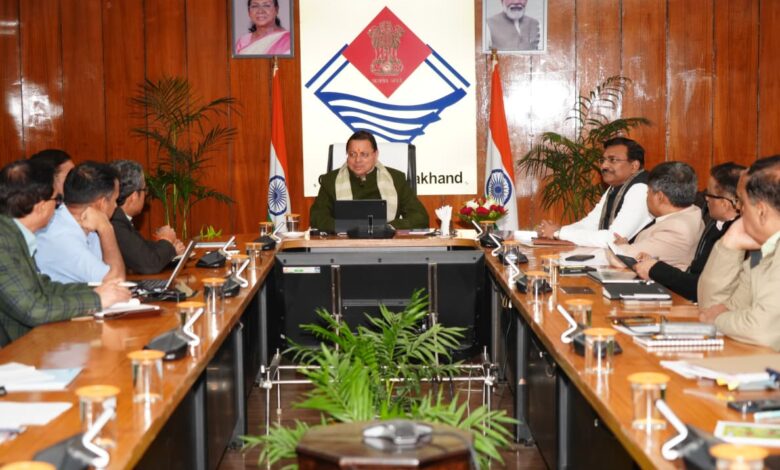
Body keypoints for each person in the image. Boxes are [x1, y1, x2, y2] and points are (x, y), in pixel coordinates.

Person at [0, 160, 130, 345]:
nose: (59, 207)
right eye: (57, 200)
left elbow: (44, 288)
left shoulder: (13, 235)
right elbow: (34, 309)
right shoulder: (3, 242)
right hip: (12, 352)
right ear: (41, 206)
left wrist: (99, 292)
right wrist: (97, 299)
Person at [699, 155, 780, 350]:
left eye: (741, 202)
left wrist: (717, 320)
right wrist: (729, 245)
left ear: (761, 211)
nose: (739, 210)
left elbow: (762, 330)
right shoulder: (765, 250)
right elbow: (713, 307)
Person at [632, 162, 744, 301]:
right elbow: (694, 275)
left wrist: (656, 269)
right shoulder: (716, 224)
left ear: (725, 203)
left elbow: (702, 287)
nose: (705, 198)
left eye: (709, 194)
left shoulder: (737, 237)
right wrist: (653, 264)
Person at [536, 137, 653, 247]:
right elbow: (591, 223)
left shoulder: (641, 189)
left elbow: (613, 239)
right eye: (603, 160)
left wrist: (559, 233)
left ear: (634, 166)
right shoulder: (615, 187)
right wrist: (558, 231)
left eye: (612, 160)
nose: (603, 166)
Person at [309, 130, 429, 233]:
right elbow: (317, 218)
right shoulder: (330, 181)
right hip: (343, 245)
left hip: (386, 244)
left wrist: (389, 227)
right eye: (352, 154)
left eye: (364, 154)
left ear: (375, 155)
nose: (358, 160)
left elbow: (420, 217)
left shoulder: (396, 179)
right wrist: (346, 226)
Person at [36, 161, 126, 283]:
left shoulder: (87, 228)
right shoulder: (61, 235)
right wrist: (106, 229)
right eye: (115, 200)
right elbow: (115, 281)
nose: (116, 206)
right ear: (102, 203)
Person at [607, 161, 704, 270]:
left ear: (659, 197)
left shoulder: (677, 229)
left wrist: (621, 247)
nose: (646, 197)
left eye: (648, 192)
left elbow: (620, 259)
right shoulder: (692, 212)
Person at [110, 160, 185, 274]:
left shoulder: (120, 218)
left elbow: (142, 250)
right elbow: (149, 265)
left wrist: (171, 248)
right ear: (134, 196)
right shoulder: (115, 222)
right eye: (144, 190)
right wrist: (166, 240)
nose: (146, 194)